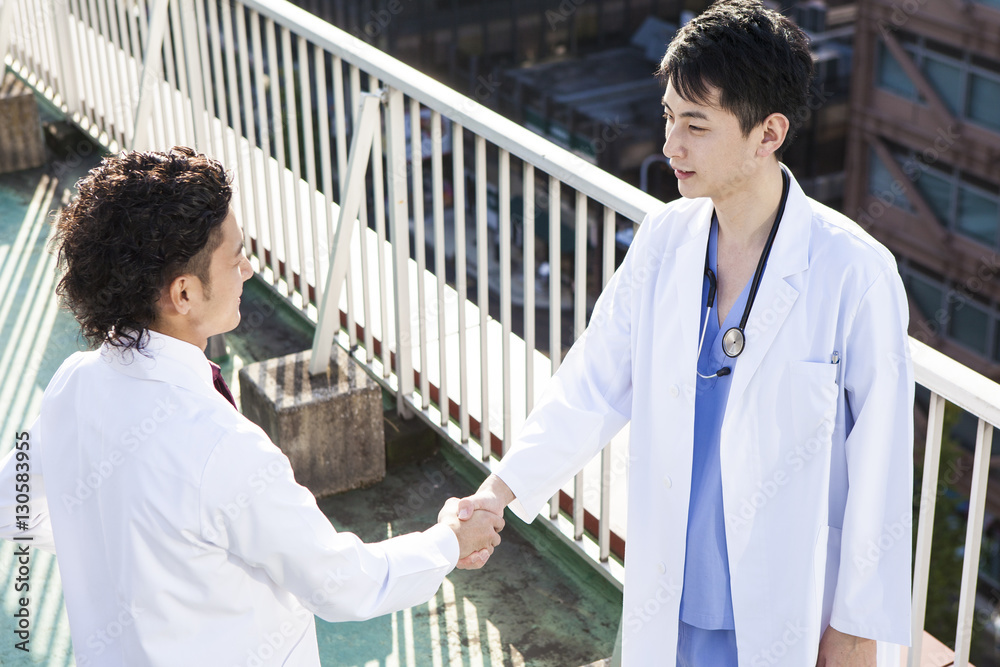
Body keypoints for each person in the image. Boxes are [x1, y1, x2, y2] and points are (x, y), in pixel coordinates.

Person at [456, 1, 914, 665]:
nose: (670, 144)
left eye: (695, 125)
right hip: (673, 601)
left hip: (788, 609)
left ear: (768, 133)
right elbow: (590, 384)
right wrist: (494, 493)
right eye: (669, 115)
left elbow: (882, 465)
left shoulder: (853, 273)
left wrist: (854, 630)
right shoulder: (664, 240)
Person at [0, 147, 504, 666]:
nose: (248, 269)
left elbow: (10, 509)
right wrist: (448, 541)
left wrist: (113, 543)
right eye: (235, 255)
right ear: (184, 293)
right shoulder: (223, 448)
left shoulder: (72, 384)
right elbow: (341, 586)